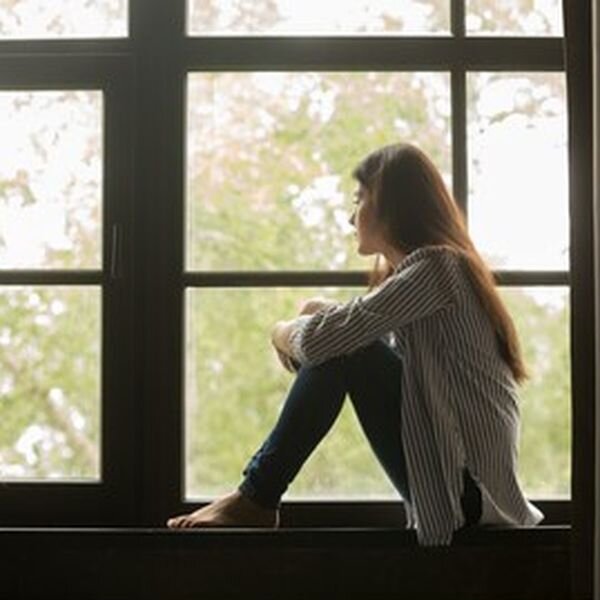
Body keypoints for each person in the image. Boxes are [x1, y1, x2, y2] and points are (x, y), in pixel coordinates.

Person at [166, 142, 544, 545]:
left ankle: (257, 496)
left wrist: (281, 330)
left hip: (468, 499)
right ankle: (255, 497)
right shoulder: (440, 274)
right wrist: (317, 311)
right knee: (345, 342)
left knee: (345, 347)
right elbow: (367, 335)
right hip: (462, 494)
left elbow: (324, 342)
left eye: (359, 199)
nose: (351, 217)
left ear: (392, 204)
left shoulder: (437, 268)